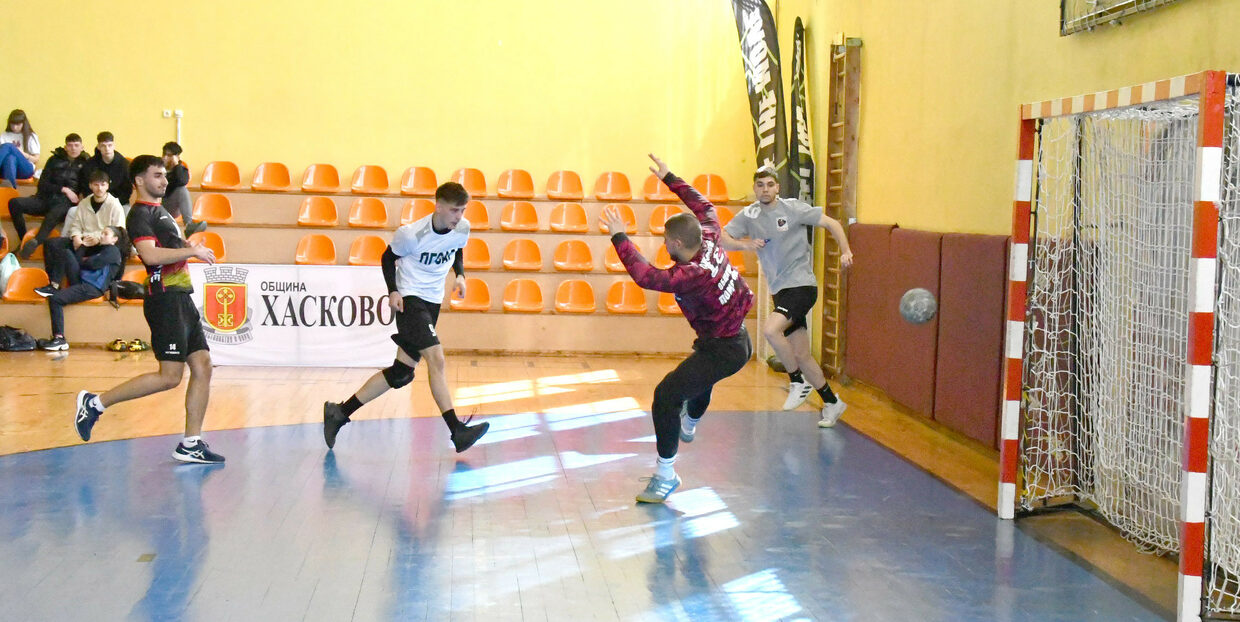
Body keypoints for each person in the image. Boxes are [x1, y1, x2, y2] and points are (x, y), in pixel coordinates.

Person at [607, 154, 754, 504]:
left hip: (724, 348)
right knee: (700, 378)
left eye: (665, 240)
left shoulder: (691, 275)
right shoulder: (710, 234)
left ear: (676, 244)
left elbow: (646, 276)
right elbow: (704, 205)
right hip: (735, 340)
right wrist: (668, 176)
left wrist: (619, 237)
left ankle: (665, 475)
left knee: (666, 396)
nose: (663, 245)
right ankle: (689, 422)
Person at [73, 155, 223, 464]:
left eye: (165, 175)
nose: (164, 181)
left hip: (181, 296)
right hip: (165, 299)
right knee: (170, 376)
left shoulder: (161, 211)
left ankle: (191, 443)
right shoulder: (139, 214)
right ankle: (95, 403)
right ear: (139, 180)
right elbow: (150, 256)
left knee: (203, 365)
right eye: (157, 175)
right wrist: (191, 250)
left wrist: (187, 248)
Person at [323, 181, 489, 453]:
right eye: (454, 210)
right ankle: (456, 430)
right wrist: (393, 291)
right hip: (411, 299)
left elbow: (457, 247)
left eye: (462, 210)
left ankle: (338, 413)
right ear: (438, 206)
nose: (459, 216)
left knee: (401, 373)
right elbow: (387, 258)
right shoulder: (411, 235)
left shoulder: (462, 227)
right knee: (436, 358)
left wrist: (460, 275)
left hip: (432, 301)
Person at [720, 166, 854, 428]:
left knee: (771, 330)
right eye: (760, 185)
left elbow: (832, 223)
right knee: (802, 354)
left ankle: (796, 381)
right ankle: (832, 402)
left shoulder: (793, 209)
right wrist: (745, 245)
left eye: (770, 184)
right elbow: (723, 238)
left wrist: (845, 250)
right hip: (780, 290)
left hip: (801, 285)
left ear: (778, 187)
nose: (765, 189)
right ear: (755, 188)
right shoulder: (749, 215)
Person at [36, 226, 128, 351]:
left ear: (114, 239)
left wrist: (85, 260)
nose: (101, 235)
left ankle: (59, 339)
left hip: (93, 287)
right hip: (82, 280)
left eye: (106, 234)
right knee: (66, 252)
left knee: (55, 299)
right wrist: (84, 246)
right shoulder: (101, 249)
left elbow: (91, 264)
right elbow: (78, 260)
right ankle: (54, 285)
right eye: (102, 233)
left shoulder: (113, 251)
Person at [37, 169, 125, 297]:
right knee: (51, 243)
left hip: (102, 244)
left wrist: (97, 238)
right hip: (83, 241)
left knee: (66, 252)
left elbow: (119, 230)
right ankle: (53, 283)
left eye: (103, 184)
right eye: (96, 184)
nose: (99, 188)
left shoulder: (115, 205)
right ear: (90, 185)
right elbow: (76, 224)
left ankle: (59, 285)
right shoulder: (84, 203)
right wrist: (76, 237)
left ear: (108, 185)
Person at [9, 133, 86, 258]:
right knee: (14, 203)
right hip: (44, 198)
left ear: (82, 147)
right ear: (65, 147)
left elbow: (88, 186)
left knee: (54, 212)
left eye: (76, 145)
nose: (73, 148)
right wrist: (64, 189)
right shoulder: (54, 160)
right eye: (70, 145)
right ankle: (24, 239)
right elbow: (42, 184)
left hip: (64, 204)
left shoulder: (86, 163)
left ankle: (36, 241)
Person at [160, 142, 206, 235]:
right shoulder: (157, 167)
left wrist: (176, 165)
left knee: (182, 190)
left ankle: (189, 225)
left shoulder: (181, 170)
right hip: (157, 203)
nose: (165, 158)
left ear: (177, 157)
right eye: (164, 154)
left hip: (170, 203)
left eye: (169, 155)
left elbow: (182, 181)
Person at [79, 131, 131, 206]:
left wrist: (112, 203)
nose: (107, 149)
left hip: (119, 203)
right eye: (103, 146)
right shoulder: (90, 164)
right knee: (73, 211)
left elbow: (127, 190)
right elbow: (85, 187)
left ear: (114, 146)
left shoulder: (125, 165)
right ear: (98, 147)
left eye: (110, 145)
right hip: (94, 202)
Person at [0, 109, 39, 188]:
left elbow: (36, 159)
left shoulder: (31, 136)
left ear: (24, 123)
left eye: (18, 124)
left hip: (25, 169)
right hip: (6, 169)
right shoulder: (4, 135)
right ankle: (11, 190)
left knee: (8, 146)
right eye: (12, 124)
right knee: (10, 158)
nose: (14, 127)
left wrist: (22, 154)